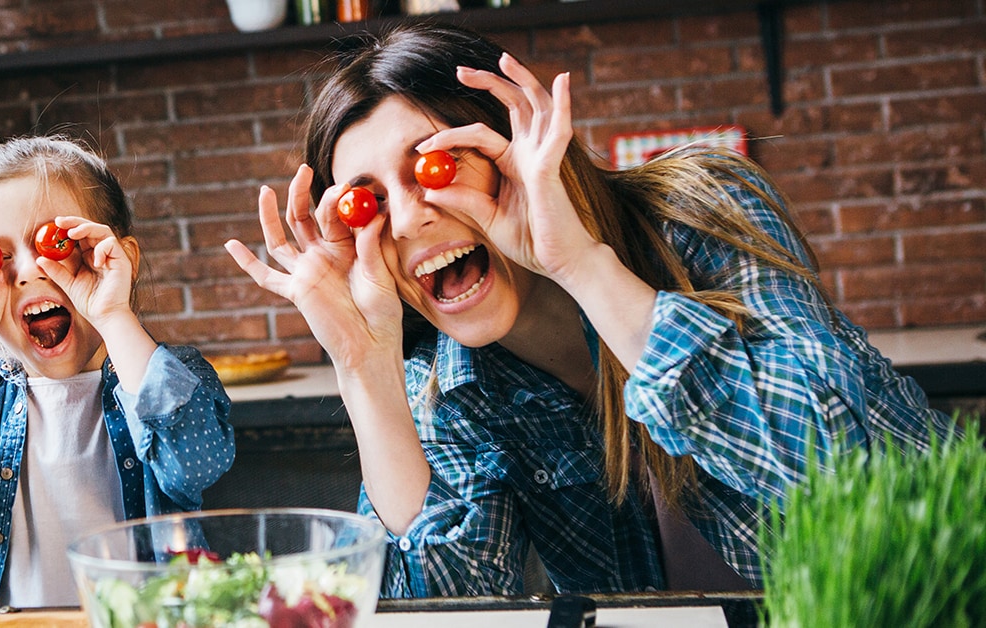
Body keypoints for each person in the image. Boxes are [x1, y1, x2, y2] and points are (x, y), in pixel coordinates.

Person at [224, 24, 953, 597]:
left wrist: (576, 263)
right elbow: (442, 606)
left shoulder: (701, 211)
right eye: (367, 202)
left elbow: (848, 471)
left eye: (433, 164)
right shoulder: (447, 389)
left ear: (510, 149)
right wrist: (364, 367)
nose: (409, 219)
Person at [0, 136, 235, 609]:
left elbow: (197, 464)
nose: (27, 272)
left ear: (120, 259)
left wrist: (113, 314)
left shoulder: (167, 373)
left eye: (57, 243)